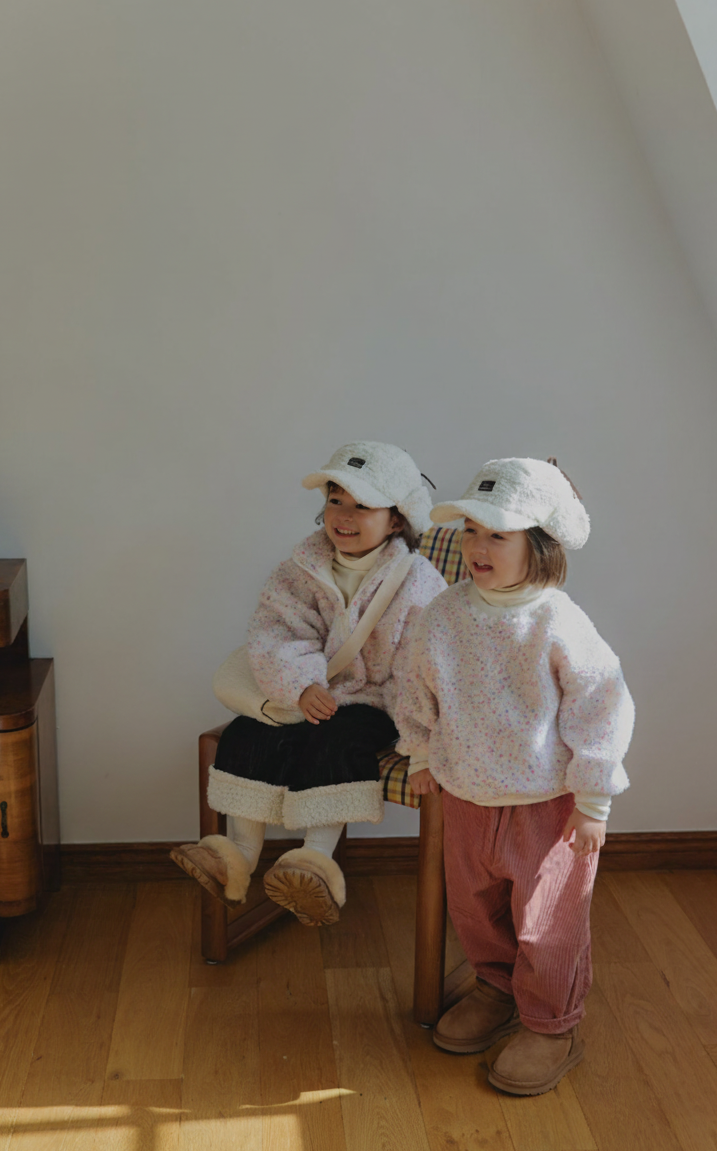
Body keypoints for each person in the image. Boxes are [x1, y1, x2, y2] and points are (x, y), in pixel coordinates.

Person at [395, 457, 634, 1096]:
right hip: (467, 791)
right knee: (474, 904)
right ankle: (496, 988)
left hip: (548, 802)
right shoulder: (442, 615)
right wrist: (420, 755)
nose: (476, 546)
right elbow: (417, 689)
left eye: (497, 534)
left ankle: (552, 1023)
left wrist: (593, 800)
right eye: (470, 530)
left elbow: (602, 704)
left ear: (542, 547)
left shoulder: (558, 621)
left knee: (548, 917)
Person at [171, 441, 447, 926]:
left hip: (377, 701)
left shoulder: (418, 581)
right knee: (247, 733)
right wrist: (299, 684)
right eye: (335, 500)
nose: (344, 515)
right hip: (305, 692)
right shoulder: (301, 568)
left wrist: (420, 743)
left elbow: (422, 664)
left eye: (363, 506)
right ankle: (235, 858)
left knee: (337, 740)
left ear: (397, 519)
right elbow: (277, 629)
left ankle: (314, 862)